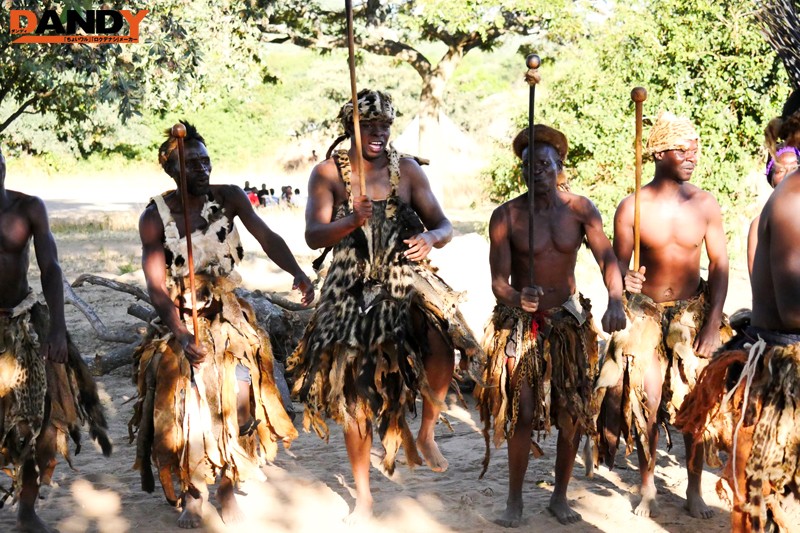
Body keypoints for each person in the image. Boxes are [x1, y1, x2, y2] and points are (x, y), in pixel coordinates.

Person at [289, 89, 481, 521]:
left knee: (441, 341)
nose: (378, 134)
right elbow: (313, 236)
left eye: (384, 127)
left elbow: (444, 224)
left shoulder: (407, 171)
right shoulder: (328, 174)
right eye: (369, 126)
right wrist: (351, 220)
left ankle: (427, 431)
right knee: (354, 386)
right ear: (351, 128)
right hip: (349, 281)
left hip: (402, 273)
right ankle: (364, 494)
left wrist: (430, 238)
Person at [130, 121, 314, 529]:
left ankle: (229, 482)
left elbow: (266, 237)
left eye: (205, 160)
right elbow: (157, 286)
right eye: (192, 162)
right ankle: (196, 494)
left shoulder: (228, 198)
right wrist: (179, 331)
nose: (202, 168)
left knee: (242, 398)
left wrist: (297, 273)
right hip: (180, 320)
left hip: (228, 318)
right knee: (185, 406)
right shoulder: (155, 217)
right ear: (172, 169)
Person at [476, 125, 626, 527]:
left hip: (568, 323)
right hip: (522, 324)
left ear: (560, 166)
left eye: (544, 164)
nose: (536, 171)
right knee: (522, 411)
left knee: (572, 411)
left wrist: (615, 299)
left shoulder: (580, 210)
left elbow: (608, 260)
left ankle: (559, 496)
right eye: (528, 166)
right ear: (520, 171)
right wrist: (515, 298)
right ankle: (514, 500)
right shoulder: (506, 216)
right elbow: (497, 283)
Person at [594, 111, 731, 519]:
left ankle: (692, 488)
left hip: (692, 311)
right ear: (657, 153)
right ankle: (648, 483)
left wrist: (711, 323)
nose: (692, 156)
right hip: (646, 311)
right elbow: (615, 267)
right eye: (683, 149)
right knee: (649, 400)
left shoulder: (705, 204)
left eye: (696, 149)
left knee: (691, 401)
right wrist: (623, 286)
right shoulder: (632, 206)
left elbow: (721, 264)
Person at [0, 147, 111, 533]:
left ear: (3, 165)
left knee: (42, 419)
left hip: (21, 324)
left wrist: (57, 327)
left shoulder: (28, 208)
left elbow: (51, 266)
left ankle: (27, 510)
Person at [747, 146, 800, 276]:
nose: (789, 176)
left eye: (795, 168)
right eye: (780, 170)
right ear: (771, 178)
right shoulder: (759, 226)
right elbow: (760, 288)